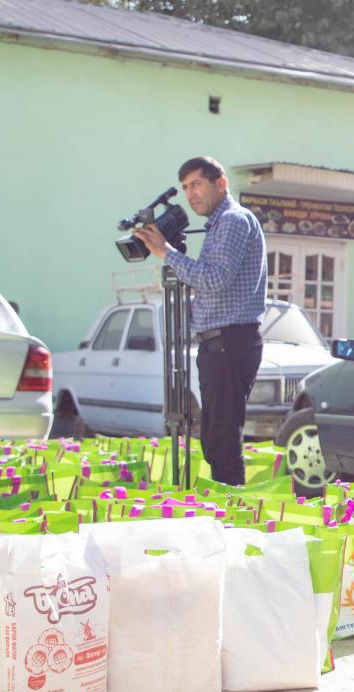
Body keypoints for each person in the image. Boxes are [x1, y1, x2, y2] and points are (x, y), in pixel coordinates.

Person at [133, 156, 267, 486]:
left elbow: (214, 279)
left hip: (230, 342)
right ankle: (225, 507)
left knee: (222, 439)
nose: (190, 194)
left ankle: (232, 513)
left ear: (220, 184)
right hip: (217, 343)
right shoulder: (218, 225)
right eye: (185, 188)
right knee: (213, 436)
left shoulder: (234, 220)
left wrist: (166, 252)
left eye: (196, 185)